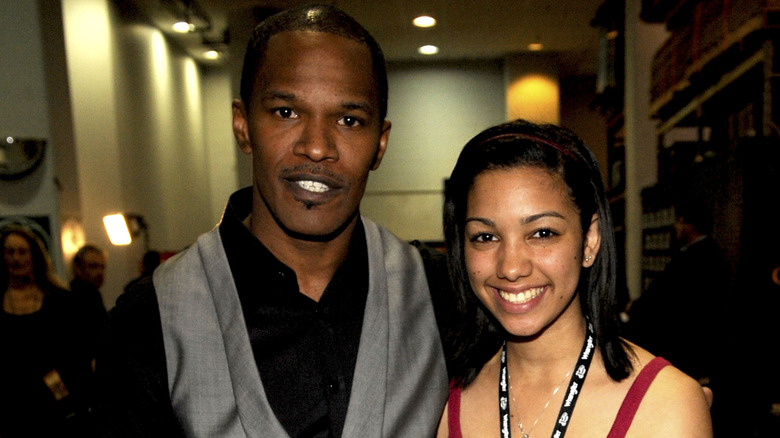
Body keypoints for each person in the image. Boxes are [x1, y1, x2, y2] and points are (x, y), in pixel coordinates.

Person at [94, 4, 447, 437]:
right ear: (242, 127)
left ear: (380, 144)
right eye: (286, 112)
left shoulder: (441, 294)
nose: (317, 147)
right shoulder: (149, 318)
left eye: (349, 120)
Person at [437, 119, 712, 437]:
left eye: (542, 233)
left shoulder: (665, 405)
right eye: (485, 237)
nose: (510, 267)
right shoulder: (440, 403)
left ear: (590, 240)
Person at [0, 225, 96, 437]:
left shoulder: (59, 300)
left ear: (34, 256)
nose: (16, 258)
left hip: (53, 406)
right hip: (8, 407)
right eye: (10, 251)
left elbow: (77, 353)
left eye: (22, 251)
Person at [624, 196, 727, 385]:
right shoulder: (709, 253)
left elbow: (664, 296)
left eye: (679, 222)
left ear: (689, 224)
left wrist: (636, 307)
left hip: (686, 346)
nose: (675, 227)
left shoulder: (693, 259)